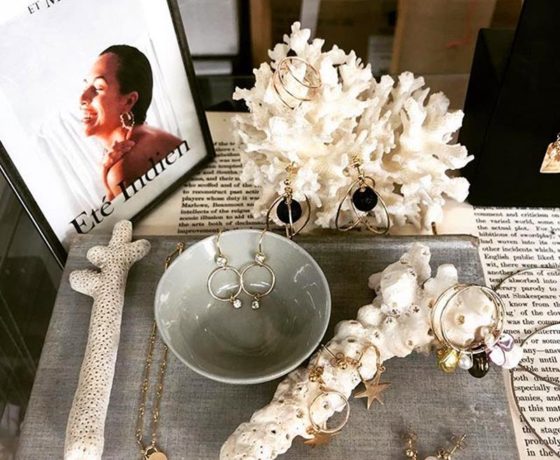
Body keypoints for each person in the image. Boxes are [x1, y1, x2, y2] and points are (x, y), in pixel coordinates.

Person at [80, 44, 182, 200]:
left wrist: (111, 182)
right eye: (85, 86)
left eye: (98, 88)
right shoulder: (148, 135)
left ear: (128, 101)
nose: (82, 98)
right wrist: (108, 185)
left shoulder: (123, 169)